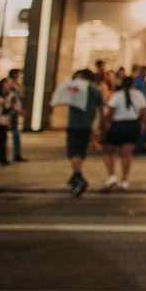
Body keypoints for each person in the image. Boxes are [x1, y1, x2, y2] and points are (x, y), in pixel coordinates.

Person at [50, 69, 104, 197]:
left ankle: (79, 178)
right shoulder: (95, 90)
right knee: (81, 153)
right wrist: (102, 125)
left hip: (74, 124)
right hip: (87, 125)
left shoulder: (75, 87)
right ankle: (75, 177)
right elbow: (100, 109)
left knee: (74, 152)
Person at [100, 76, 146, 190]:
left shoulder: (116, 95)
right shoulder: (139, 95)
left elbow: (110, 112)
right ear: (133, 84)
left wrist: (106, 125)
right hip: (132, 125)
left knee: (108, 151)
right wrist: (143, 124)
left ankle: (112, 176)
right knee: (126, 154)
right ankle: (124, 180)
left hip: (117, 125)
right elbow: (144, 113)